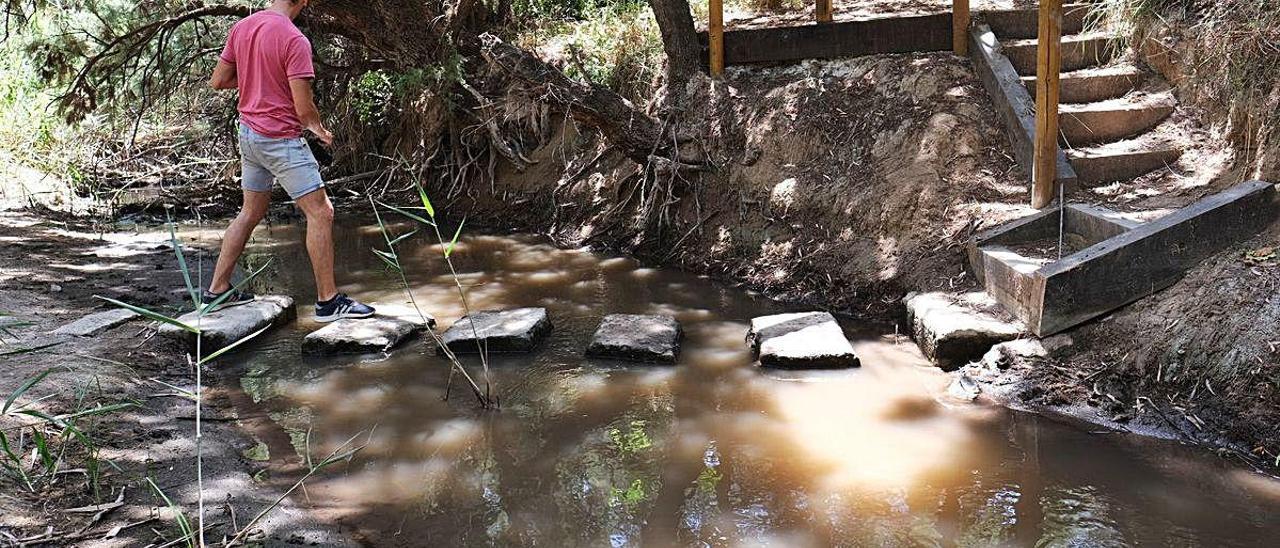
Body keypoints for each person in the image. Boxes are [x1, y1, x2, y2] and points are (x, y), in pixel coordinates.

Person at [206, 0, 374, 323]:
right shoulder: (294, 39)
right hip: (279, 139)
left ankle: (217, 289)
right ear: (303, 2)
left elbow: (218, 80)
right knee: (321, 211)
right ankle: (328, 302)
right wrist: (319, 129)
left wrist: (259, 81)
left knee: (250, 212)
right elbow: (302, 109)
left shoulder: (242, 28)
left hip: (249, 136)